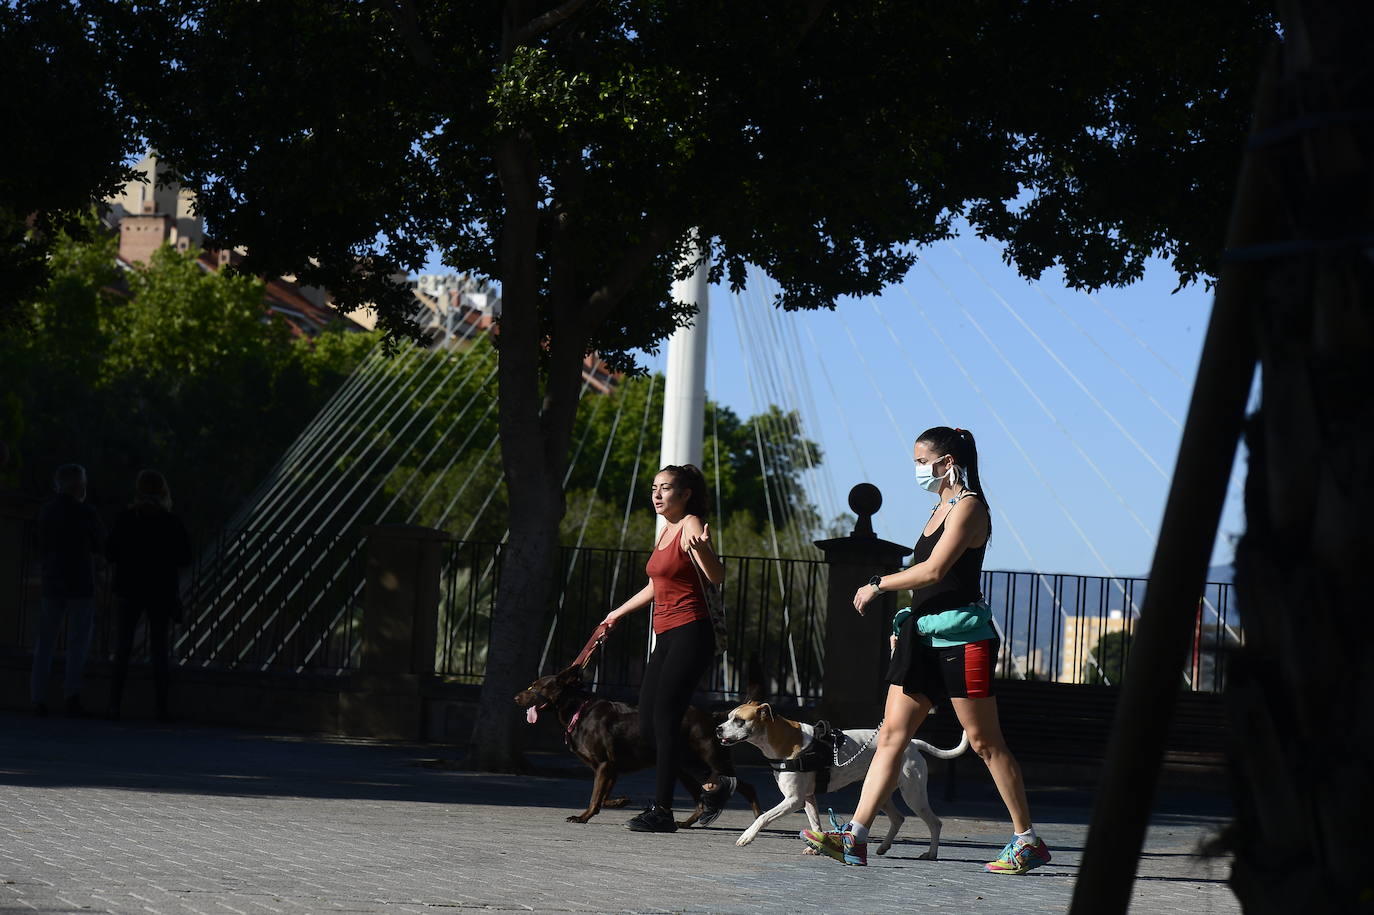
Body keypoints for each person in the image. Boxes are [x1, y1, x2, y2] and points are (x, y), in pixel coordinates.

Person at [801, 427, 1051, 874]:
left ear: (948, 461)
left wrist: (878, 584)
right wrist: (906, 622)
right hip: (923, 639)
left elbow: (934, 572)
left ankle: (1026, 839)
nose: (917, 469)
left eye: (922, 461)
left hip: (963, 640)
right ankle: (855, 836)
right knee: (890, 737)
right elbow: (924, 575)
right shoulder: (939, 507)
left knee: (984, 742)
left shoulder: (971, 507)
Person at [600, 463, 734, 833]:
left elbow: (716, 576)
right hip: (667, 632)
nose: (657, 494)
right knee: (646, 722)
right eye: (654, 487)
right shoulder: (665, 531)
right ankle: (712, 781)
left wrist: (704, 552)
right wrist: (617, 612)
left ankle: (662, 811)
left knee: (664, 718)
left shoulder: (690, 523)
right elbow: (656, 586)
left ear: (686, 494)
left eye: (667, 488)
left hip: (693, 631)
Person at [105, 470, 192, 721]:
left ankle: (114, 704)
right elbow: (184, 556)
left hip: (130, 588)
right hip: (160, 591)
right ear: (164, 491)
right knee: (159, 649)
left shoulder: (127, 519)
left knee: (123, 647)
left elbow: (110, 551)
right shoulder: (171, 522)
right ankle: (161, 708)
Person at [30, 463, 102, 716]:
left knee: (46, 641)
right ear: (79, 485)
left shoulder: (46, 511)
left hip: (53, 581)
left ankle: (37, 696)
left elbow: (38, 543)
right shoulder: (86, 513)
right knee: (78, 642)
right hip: (80, 582)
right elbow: (97, 544)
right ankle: (71, 694)